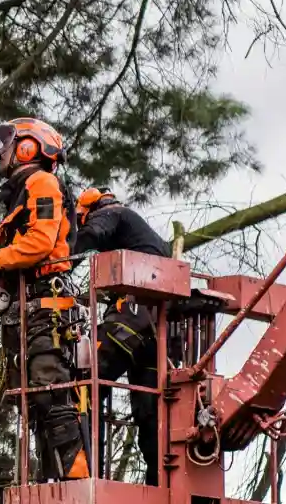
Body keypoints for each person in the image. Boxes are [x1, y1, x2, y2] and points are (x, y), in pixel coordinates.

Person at [0, 117, 87, 482]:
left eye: (9, 141)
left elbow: (40, 242)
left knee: (51, 394)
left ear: (30, 146)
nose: (1, 150)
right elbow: (20, 254)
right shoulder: (19, 193)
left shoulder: (42, 182)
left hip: (46, 307)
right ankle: (51, 483)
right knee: (33, 402)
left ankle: (77, 481)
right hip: (25, 311)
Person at [70, 187, 172, 486]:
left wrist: (57, 265)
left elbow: (90, 236)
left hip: (132, 316)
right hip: (159, 330)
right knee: (152, 410)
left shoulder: (111, 214)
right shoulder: (144, 237)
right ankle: (161, 484)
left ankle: (83, 472)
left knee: (86, 380)